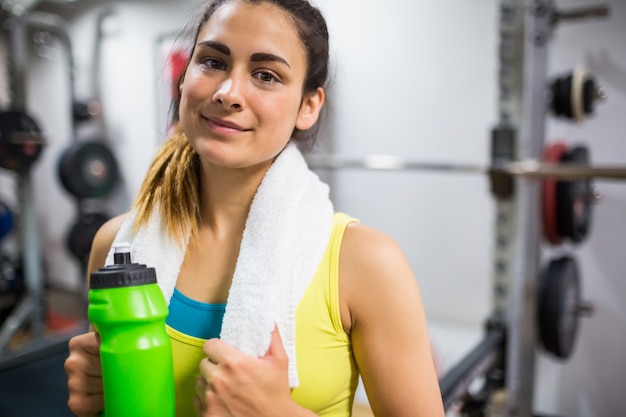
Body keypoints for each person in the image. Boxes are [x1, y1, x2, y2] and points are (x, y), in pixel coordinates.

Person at [64, 0, 445, 416]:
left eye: (265, 75)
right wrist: (94, 402)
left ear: (309, 106)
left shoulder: (367, 264)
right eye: (212, 62)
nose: (228, 93)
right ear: (183, 78)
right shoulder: (117, 248)